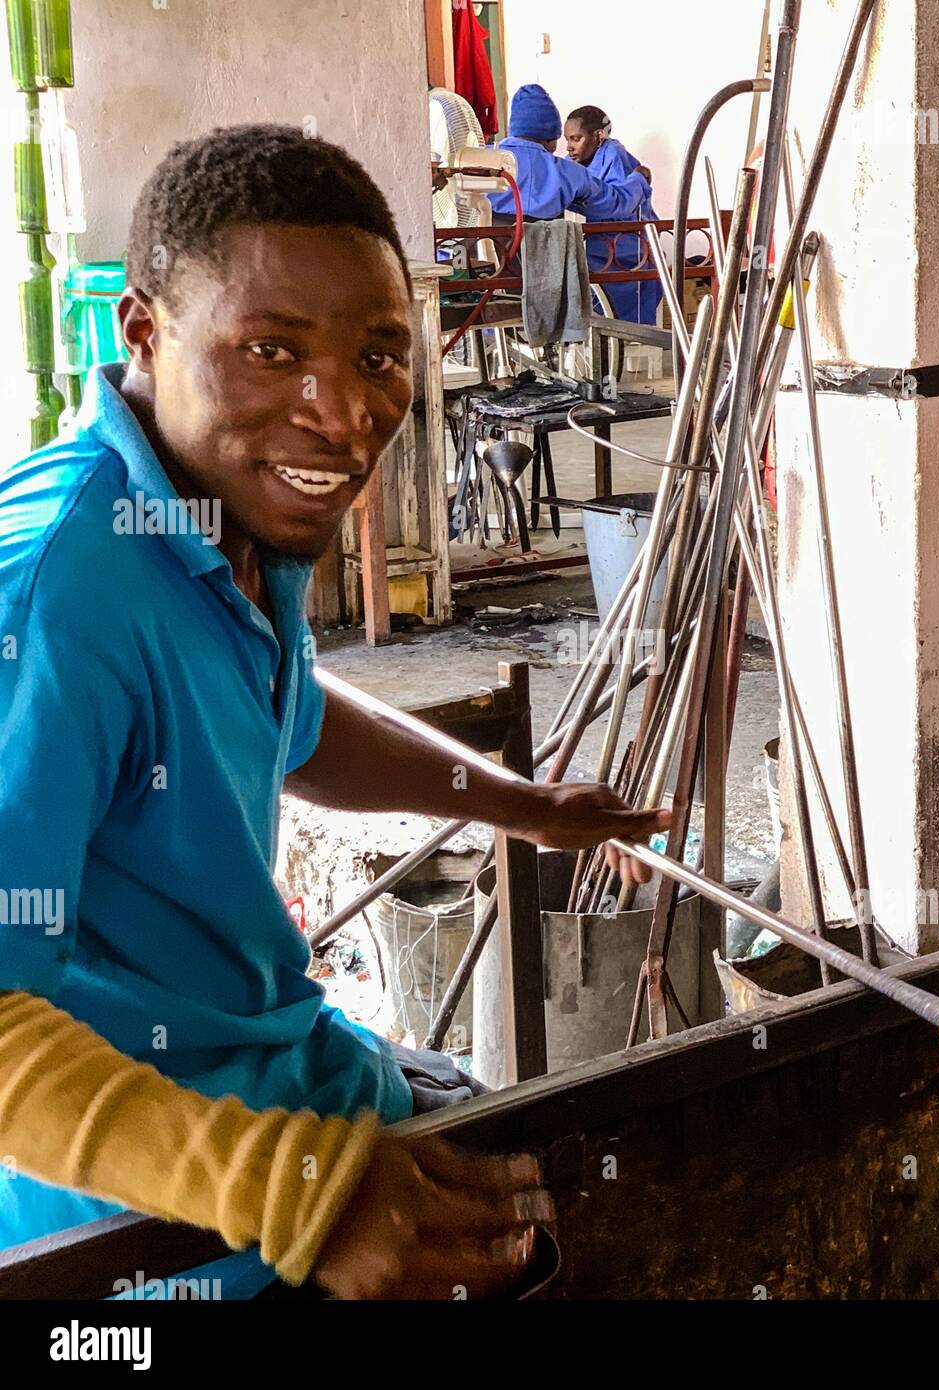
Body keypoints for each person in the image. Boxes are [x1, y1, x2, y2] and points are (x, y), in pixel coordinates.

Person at [0, 124, 669, 1300]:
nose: (342, 412)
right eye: (270, 350)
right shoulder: (63, 586)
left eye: (377, 356)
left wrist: (515, 802)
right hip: (146, 1217)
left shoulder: (220, 527)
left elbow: (290, 717)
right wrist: (291, 1186)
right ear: (144, 332)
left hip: (280, 1066)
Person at [489, 84, 649, 225]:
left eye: (575, 139)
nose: (568, 148)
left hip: (483, 253)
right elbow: (616, 204)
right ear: (551, 136)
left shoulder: (478, 160)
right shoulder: (566, 172)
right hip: (545, 256)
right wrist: (639, 179)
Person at [565, 105, 662, 325]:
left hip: (625, 245)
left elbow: (617, 205)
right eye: (567, 140)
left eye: (576, 138)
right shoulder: (573, 162)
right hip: (598, 241)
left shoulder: (614, 156)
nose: (570, 147)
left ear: (598, 136)